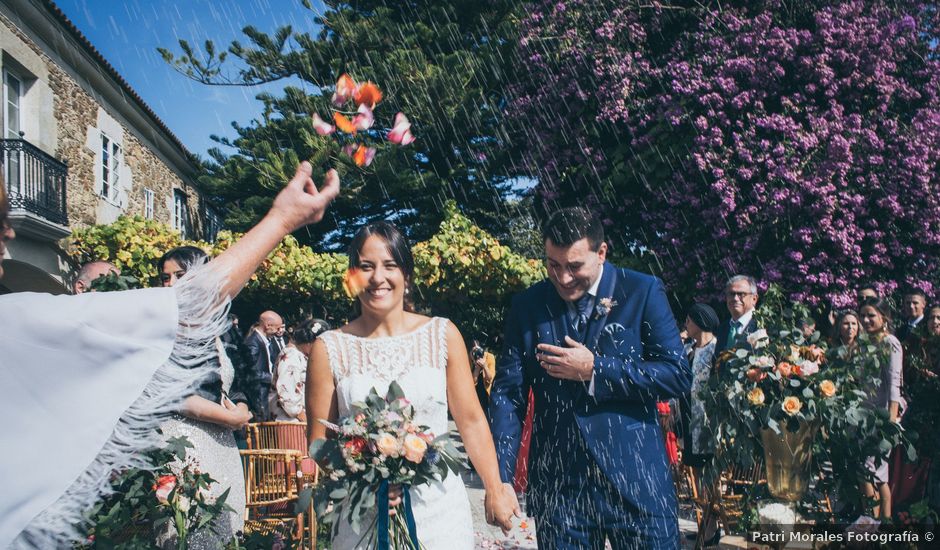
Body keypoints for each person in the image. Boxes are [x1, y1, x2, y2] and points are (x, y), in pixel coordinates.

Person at [0, 163, 339, 548]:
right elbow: (189, 306)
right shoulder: (14, 323)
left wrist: (239, 406)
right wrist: (281, 219)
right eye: (0, 219)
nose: (9, 231)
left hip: (224, 443)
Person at [306, 221, 518, 549]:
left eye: (390, 265)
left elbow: (471, 420)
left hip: (440, 513)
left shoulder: (442, 334)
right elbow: (320, 443)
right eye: (366, 266)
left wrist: (495, 487)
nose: (378, 277)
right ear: (352, 277)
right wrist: (368, 474)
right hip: (364, 516)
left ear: (407, 276)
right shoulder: (329, 348)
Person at [489, 207, 690, 549]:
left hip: (638, 482)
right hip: (561, 489)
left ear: (601, 253)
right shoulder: (528, 305)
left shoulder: (641, 291)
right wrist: (499, 479)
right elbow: (508, 395)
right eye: (553, 264)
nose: (563, 278)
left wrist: (596, 369)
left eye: (574, 266)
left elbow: (676, 375)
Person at [154, 246, 253, 547]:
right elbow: (172, 393)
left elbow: (237, 382)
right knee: (189, 527)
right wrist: (231, 418)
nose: (170, 284)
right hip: (184, 444)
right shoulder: (162, 329)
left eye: (180, 276)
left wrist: (242, 406)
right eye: (165, 277)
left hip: (223, 443)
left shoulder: (222, 329)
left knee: (227, 527)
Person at [678, 303, 720, 546]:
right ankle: (703, 523)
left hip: (709, 423)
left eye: (689, 320)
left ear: (700, 321)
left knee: (710, 477)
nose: (686, 324)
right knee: (694, 476)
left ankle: (712, 526)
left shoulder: (716, 350)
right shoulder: (688, 350)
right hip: (689, 420)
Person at [858, 297, 904, 520]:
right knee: (878, 475)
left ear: (883, 318)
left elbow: (895, 382)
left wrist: (891, 421)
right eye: (863, 316)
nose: (866, 320)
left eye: (871, 316)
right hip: (863, 416)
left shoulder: (890, 343)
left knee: (867, 472)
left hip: (882, 417)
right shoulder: (867, 343)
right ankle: (884, 525)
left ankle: (871, 526)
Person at [271, 317, 329, 422]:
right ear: (309, 343)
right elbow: (287, 392)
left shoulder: (299, 355)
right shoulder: (292, 355)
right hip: (291, 422)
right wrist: (303, 417)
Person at [243, 310, 284, 420]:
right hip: (258, 396)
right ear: (268, 325)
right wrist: (272, 378)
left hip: (266, 394)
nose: (278, 331)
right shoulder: (253, 343)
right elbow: (251, 373)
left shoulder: (267, 341)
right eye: (277, 327)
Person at [716, 275, 760, 351]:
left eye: (741, 294)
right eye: (731, 294)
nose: (735, 298)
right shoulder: (722, 329)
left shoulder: (763, 327)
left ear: (754, 299)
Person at [471, 338, 496, 414]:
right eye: (474, 350)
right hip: (473, 394)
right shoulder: (470, 358)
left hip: (486, 394)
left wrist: (485, 366)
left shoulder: (490, 357)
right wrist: (477, 368)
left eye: (478, 350)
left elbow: (490, 378)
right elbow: (471, 383)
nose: (476, 353)